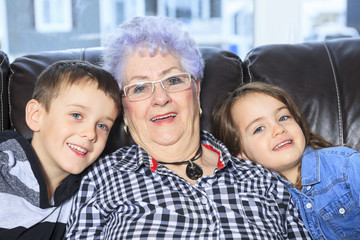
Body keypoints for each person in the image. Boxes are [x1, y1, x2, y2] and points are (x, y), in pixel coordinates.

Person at [66, 16, 311, 239]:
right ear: (124, 110)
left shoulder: (262, 179)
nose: (160, 98)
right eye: (139, 87)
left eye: (173, 80)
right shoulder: (104, 178)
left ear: (196, 90)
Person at [212, 81, 360, 240]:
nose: (278, 129)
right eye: (259, 128)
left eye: (283, 117)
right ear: (241, 153)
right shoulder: (255, 200)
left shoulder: (345, 165)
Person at [0, 60, 121, 239]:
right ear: (36, 116)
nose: (90, 134)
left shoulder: (92, 191)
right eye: (76, 115)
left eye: (102, 126)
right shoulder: (5, 164)